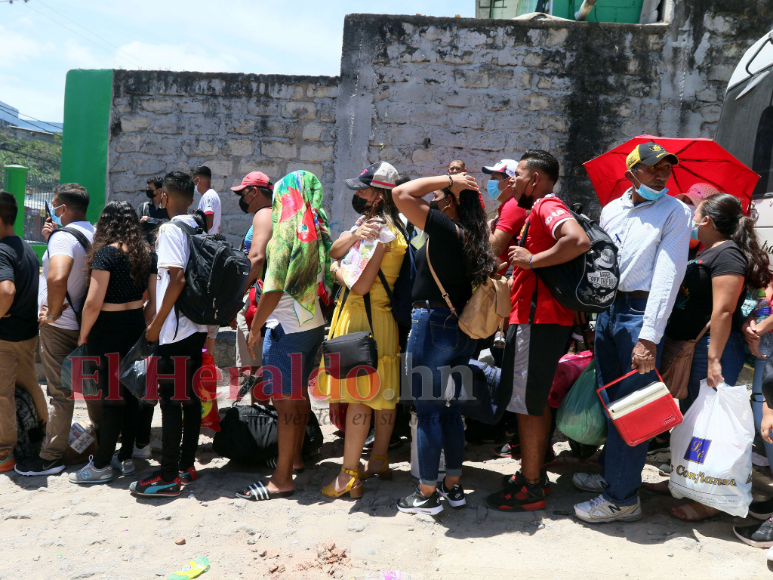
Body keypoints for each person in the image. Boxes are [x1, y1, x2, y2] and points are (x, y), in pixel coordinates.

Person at [572, 142, 691, 523]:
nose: (661, 174)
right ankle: (614, 477)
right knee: (612, 401)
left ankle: (622, 499)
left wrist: (648, 336)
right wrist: (594, 316)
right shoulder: (611, 209)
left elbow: (669, 277)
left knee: (634, 405)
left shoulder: (675, 211)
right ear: (631, 173)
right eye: (653, 168)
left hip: (640, 313)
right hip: (609, 311)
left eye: (665, 168)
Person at [645, 193, 770, 522]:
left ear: (708, 222)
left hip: (710, 351)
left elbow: (724, 310)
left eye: (695, 214)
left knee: (706, 427)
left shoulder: (727, 254)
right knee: (687, 419)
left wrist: (714, 360)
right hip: (690, 348)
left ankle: (708, 500)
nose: (692, 220)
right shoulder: (706, 250)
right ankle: (684, 482)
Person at [485, 151, 591, 513]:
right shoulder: (537, 209)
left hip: (537, 320)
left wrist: (531, 260)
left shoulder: (546, 204)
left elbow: (577, 240)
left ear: (535, 179)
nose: (510, 180)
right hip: (539, 320)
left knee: (526, 405)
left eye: (517, 174)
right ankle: (534, 472)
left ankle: (531, 488)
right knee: (534, 400)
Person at [392, 171, 499, 515]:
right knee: (452, 412)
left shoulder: (443, 226)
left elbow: (401, 193)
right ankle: (453, 486)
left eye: (438, 197)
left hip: (433, 325)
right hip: (461, 332)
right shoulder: (473, 237)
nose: (432, 201)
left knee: (427, 413)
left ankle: (425, 494)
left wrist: (447, 178)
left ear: (451, 202)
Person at [238, 170, 332, 502]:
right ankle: (294, 457)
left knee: (284, 402)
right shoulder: (315, 229)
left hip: (286, 329)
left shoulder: (286, 234)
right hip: (310, 325)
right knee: (297, 397)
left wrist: (254, 328)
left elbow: (274, 286)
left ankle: (281, 479)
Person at [318, 162, 407, 499]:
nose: (357, 194)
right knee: (382, 395)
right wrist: (349, 240)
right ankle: (379, 459)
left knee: (359, 399)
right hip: (379, 320)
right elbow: (335, 248)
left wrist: (337, 271)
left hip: (362, 317)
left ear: (378, 195)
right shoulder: (384, 227)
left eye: (362, 189)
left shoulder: (378, 232)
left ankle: (348, 475)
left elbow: (359, 285)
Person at [129, 171, 208, 497]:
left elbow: (175, 279)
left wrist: (157, 324)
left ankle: (167, 476)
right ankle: (186, 466)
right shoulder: (197, 226)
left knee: (171, 401)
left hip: (175, 331)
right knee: (188, 398)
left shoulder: (172, 229)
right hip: (196, 327)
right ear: (191, 199)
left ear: (164, 197)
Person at [16, 183, 102, 477]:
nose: (51, 209)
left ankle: (51, 456)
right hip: (86, 326)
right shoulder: (93, 233)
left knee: (60, 393)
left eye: (53, 204)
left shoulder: (63, 239)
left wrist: (51, 313)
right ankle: (102, 443)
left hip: (60, 327)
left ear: (63, 209)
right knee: (92, 389)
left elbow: (57, 277)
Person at [68, 201, 156, 484]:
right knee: (130, 397)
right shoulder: (147, 254)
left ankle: (102, 464)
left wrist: (83, 335)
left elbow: (93, 303)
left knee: (111, 399)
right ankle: (126, 459)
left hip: (107, 330)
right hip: (135, 326)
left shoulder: (106, 254)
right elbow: (152, 303)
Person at [0, 192, 46, 473]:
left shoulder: (2, 250)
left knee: (1, 395)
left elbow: (7, 290)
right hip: (27, 335)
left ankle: (4, 453)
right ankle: (46, 435)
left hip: (5, 338)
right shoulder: (26, 247)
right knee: (31, 385)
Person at [231, 171, 274, 377]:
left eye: (244, 193)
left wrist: (234, 297)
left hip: (258, 299)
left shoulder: (264, 214)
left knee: (255, 371)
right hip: (264, 296)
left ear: (255, 192)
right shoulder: (275, 213)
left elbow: (257, 259)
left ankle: (258, 408)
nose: (243, 199)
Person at [192, 165, 222, 356]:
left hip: (207, 250)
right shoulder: (210, 196)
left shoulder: (208, 196)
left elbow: (208, 221)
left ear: (197, 180)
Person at [483, 159, 525, 275]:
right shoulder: (511, 205)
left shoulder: (513, 206)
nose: (490, 182)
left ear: (510, 181)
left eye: (494, 178)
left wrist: (482, 224)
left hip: (509, 280)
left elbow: (495, 248)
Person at [138, 176, 169, 242]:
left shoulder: (167, 208)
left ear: (159, 190)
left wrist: (149, 220)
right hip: (146, 248)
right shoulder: (143, 207)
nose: (147, 190)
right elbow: (138, 225)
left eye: (150, 188)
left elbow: (169, 223)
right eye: (147, 187)